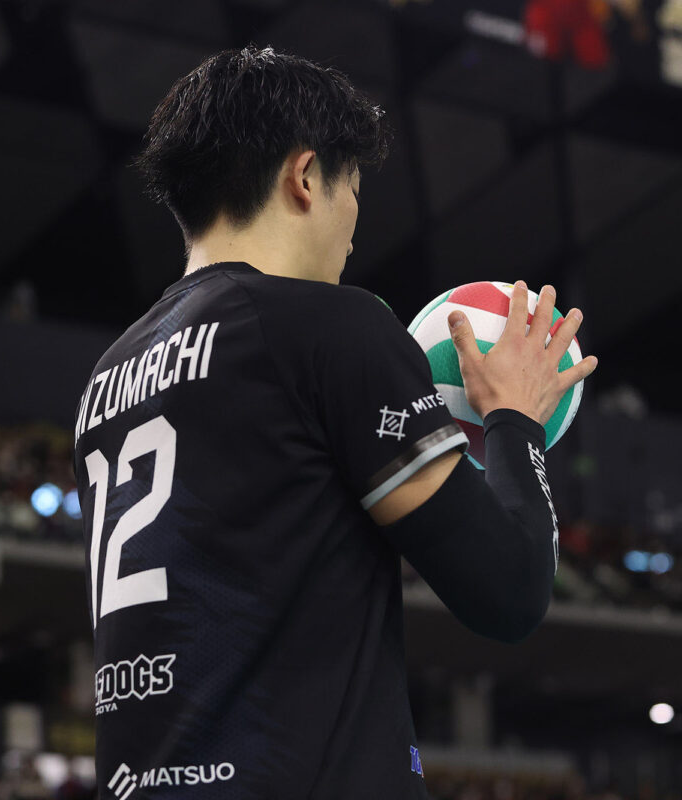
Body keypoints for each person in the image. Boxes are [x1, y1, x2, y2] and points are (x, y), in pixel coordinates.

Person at [72, 45, 597, 799]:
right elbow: (510, 592)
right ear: (306, 175)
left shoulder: (108, 375)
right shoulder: (330, 327)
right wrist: (515, 418)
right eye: (352, 186)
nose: (353, 224)